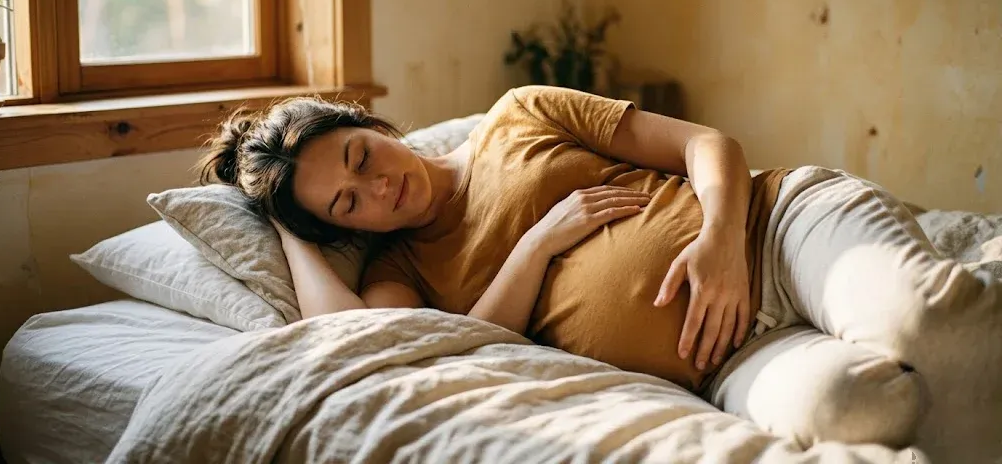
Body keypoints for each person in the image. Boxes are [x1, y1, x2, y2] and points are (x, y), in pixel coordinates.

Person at [198, 85, 1000, 459]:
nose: (377, 188)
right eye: (345, 206)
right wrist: (537, 243)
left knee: (925, 323)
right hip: (730, 355)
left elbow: (705, 145)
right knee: (856, 410)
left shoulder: (517, 115)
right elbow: (351, 335)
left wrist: (721, 237)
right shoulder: (400, 270)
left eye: (360, 156)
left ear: (370, 123)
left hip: (776, 227)